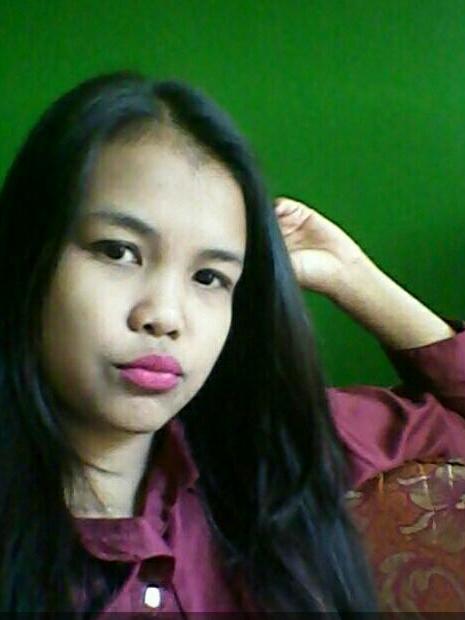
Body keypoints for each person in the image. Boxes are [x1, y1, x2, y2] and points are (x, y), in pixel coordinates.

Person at [0, 71, 464, 617]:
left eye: (209, 277)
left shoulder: (273, 453)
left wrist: (355, 279)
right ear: (28, 255)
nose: (165, 316)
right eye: (119, 251)